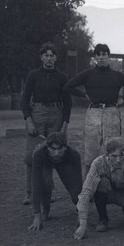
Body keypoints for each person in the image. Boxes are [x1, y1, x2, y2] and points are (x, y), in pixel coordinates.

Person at [64, 43, 124, 180]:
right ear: (95, 57)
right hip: (93, 113)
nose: (101, 58)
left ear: (108, 56)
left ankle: (115, 186)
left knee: (114, 150)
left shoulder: (117, 75)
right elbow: (68, 86)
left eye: (104, 55)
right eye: (98, 55)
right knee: (90, 153)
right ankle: (88, 190)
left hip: (111, 112)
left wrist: (123, 99)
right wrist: (83, 95)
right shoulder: (88, 74)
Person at [20, 42, 72, 205]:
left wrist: (64, 125)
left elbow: (68, 102)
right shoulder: (33, 75)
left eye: (52, 55)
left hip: (56, 113)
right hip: (37, 113)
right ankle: (30, 193)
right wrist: (28, 120)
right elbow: (24, 98)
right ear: (41, 57)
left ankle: (49, 192)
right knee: (32, 155)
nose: (49, 58)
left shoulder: (62, 77)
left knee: (53, 152)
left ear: (56, 58)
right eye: (46, 55)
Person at [73, 137, 124, 239]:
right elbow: (86, 192)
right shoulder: (98, 163)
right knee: (100, 182)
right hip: (108, 191)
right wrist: (82, 225)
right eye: (114, 156)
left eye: (122, 155)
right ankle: (103, 219)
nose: (118, 160)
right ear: (107, 155)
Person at [28, 132, 83, 231]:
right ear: (48, 147)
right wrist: (37, 214)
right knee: (45, 183)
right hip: (45, 161)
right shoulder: (39, 154)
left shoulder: (74, 155)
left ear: (65, 147)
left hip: (64, 162)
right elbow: (36, 184)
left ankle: (79, 209)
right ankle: (46, 207)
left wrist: (81, 213)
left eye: (60, 149)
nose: (56, 153)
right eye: (53, 149)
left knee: (73, 189)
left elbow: (77, 183)